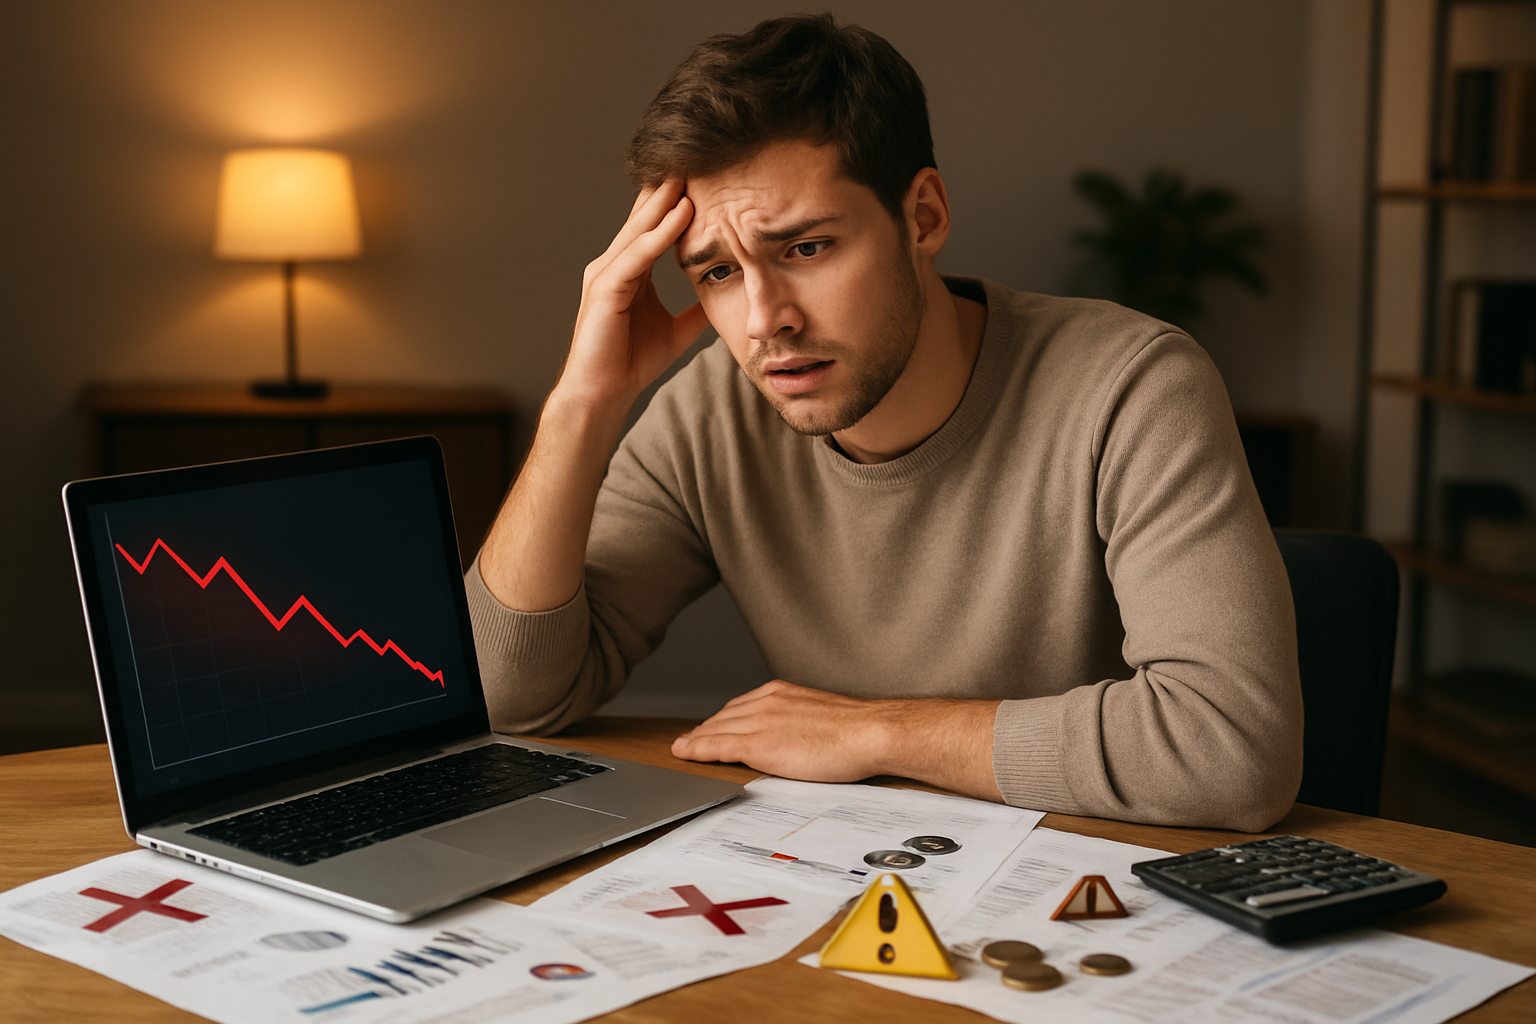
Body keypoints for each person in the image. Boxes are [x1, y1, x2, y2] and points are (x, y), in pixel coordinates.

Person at [467, 14, 1302, 831]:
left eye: (805, 249)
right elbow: (505, 699)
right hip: (851, 871)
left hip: (1093, 877)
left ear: (923, 216)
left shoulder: (1132, 387)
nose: (764, 320)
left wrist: (876, 732)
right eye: (717, 272)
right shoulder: (707, 415)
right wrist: (582, 406)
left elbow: (1230, 749)